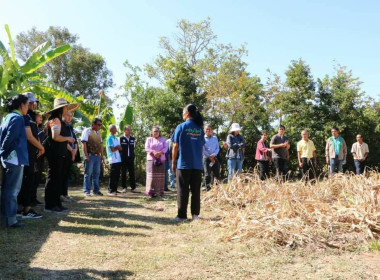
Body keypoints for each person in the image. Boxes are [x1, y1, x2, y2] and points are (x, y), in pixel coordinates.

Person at [44, 98, 78, 213]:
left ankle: (57, 204)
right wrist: (68, 138)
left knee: (57, 179)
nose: (67, 109)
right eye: (66, 107)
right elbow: (55, 137)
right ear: (61, 108)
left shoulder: (57, 120)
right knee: (53, 178)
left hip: (59, 153)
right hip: (55, 153)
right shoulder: (56, 120)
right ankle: (50, 205)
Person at [172, 104, 205, 222]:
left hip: (184, 164)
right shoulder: (200, 129)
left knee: (183, 190)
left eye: (183, 112)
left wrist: (173, 162)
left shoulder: (181, 127)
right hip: (197, 164)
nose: (182, 114)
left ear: (187, 113)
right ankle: (195, 215)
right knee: (196, 191)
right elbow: (202, 148)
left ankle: (182, 216)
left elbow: (175, 146)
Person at [0, 95, 29, 227]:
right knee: (12, 190)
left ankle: (5, 218)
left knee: (7, 189)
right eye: (27, 105)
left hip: (8, 158)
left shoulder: (7, 117)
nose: (28, 107)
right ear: (21, 105)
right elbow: (9, 138)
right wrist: (4, 150)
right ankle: (11, 221)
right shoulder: (18, 118)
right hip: (14, 158)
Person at [17, 92, 44, 219]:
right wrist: (41, 147)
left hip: (32, 153)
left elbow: (35, 134)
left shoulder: (31, 116)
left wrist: (39, 146)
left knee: (29, 180)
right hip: (26, 153)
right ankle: (26, 209)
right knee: (27, 181)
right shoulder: (24, 116)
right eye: (31, 102)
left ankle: (22, 207)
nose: (33, 104)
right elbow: (29, 136)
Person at [81, 118, 104, 196]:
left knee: (96, 174)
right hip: (90, 155)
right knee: (88, 173)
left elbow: (101, 145)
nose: (99, 126)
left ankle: (96, 190)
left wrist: (102, 157)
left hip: (97, 156)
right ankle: (86, 191)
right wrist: (86, 156)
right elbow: (83, 144)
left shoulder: (100, 133)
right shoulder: (87, 131)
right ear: (93, 124)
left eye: (100, 125)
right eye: (98, 124)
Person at [61, 111, 79, 202]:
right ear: (63, 116)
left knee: (67, 174)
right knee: (62, 174)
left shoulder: (70, 127)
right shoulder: (62, 126)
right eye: (67, 115)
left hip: (71, 153)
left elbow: (75, 140)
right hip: (65, 152)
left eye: (71, 116)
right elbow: (64, 140)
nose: (69, 117)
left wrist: (74, 150)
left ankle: (65, 193)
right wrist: (71, 150)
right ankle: (61, 194)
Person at [144, 126, 167, 197]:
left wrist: (160, 153)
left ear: (159, 132)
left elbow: (166, 148)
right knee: (151, 176)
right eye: (154, 131)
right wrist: (153, 152)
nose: (156, 133)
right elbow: (146, 148)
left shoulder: (163, 139)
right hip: (150, 160)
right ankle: (151, 192)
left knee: (160, 176)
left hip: (161, 159)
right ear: (152, 132)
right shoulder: (149, 139)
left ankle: (159, 191)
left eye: (157, 131)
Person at [31, 110, 47, 207]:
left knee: (37, 179)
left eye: (42, 116)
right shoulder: (32, 129)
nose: (41, 118)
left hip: (41, 157)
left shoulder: (40, 129)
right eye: (39, 116)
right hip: (34, 156)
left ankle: (34, 198)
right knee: (32, 178)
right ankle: (30, 200)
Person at [120, 125, 140, 193]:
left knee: (132, 173)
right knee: (123, 173)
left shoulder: (133, 139)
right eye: (128, 130)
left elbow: (133, 148)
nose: (129, 131)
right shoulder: (121, 138)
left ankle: (133, 188)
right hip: (123, 158)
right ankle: (124, 187)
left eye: (130, 130)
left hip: (131, 158)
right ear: (124, 130)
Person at [106, 124, 122, 196]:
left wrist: (117, 147)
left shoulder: (116, 138)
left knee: (117, 175)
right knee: (113, 175)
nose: (116, 129)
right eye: (114, 128)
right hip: (112, 158)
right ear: (111, 130)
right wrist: (117, 147)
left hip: (118, 158)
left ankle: (115, 189)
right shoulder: (109, 138)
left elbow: (121, 148)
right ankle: (110, 190)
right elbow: (112, 149)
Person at [203, 124, 220, 190]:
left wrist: (214, 155)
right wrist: (209, 157)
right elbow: (203, 149)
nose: (208, 130)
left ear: (211, 130)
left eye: (209, 129)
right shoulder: (202, 139)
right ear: (204, 130)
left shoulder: (215, 138)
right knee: (207, 174)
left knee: (216, 173)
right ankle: (207, 188)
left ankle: (216, 188)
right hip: (206, 158)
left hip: (214, 158)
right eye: (206, 129)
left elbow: (217, 148)